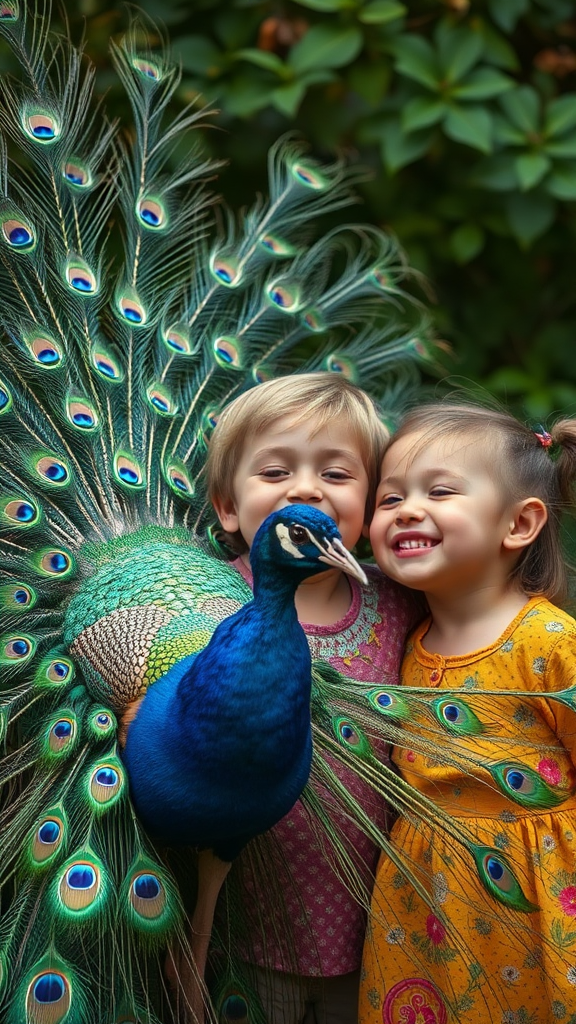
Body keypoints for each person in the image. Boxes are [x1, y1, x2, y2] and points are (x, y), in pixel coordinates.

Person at [204, 372, 419, 1024]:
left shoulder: (402, 602)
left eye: (336, 473)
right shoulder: (204, 601)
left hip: (378, 931)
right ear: (228, 507)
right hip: (243, 923)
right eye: (275, 471)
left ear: (372, 505)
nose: (305, 487)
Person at [359, 401, 576, 1024]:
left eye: (441, 490)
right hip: (419, 906)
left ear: (519, 523)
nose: (407, 509)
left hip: (538, 906)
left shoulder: (548, 642)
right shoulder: (402, 643)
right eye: (388, 498)